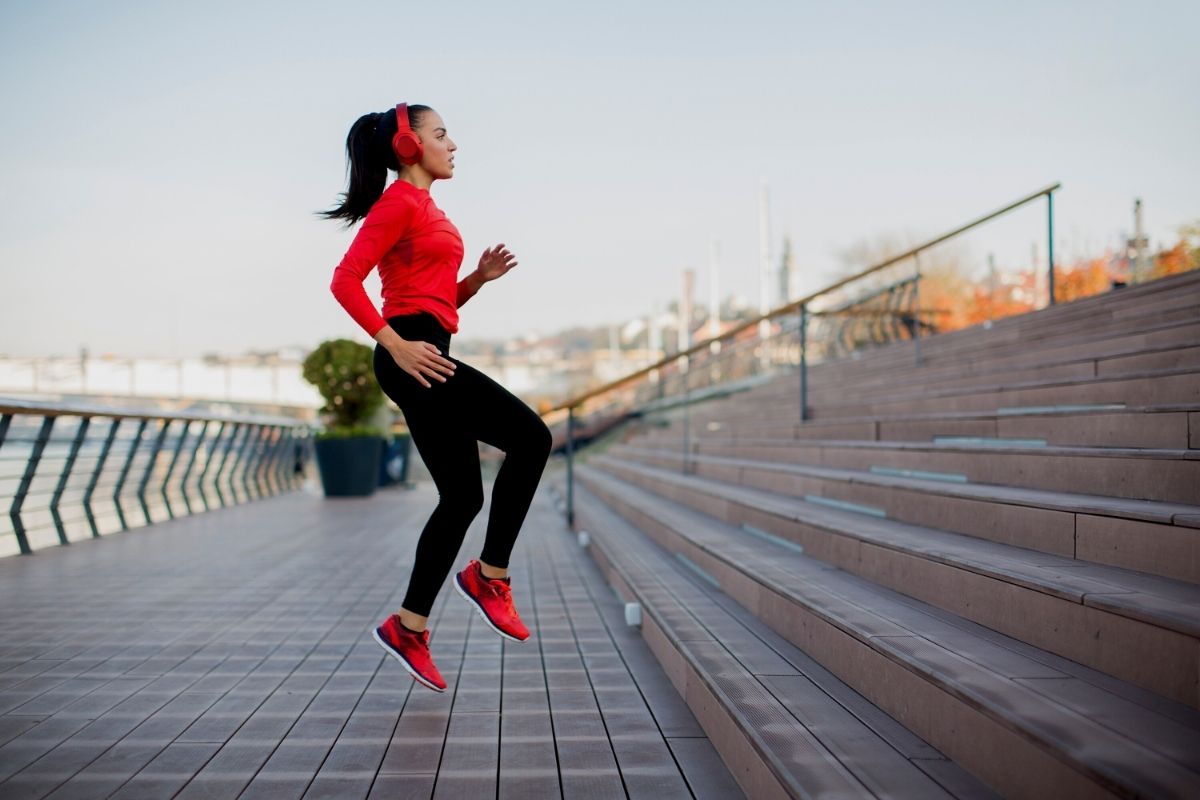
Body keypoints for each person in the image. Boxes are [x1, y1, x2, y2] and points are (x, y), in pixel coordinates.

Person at [324, 103, 553, 692]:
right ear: (407, 145)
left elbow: (428, 298)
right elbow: (344, 280)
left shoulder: (426, 208)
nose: (453, 145)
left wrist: (475, 281)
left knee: (461, 498)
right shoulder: (399, 202)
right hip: (414, 355)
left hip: (424, 350)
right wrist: (394, 345)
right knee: (532, 438)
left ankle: (409, 627)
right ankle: (489, 577)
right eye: (441, 134)